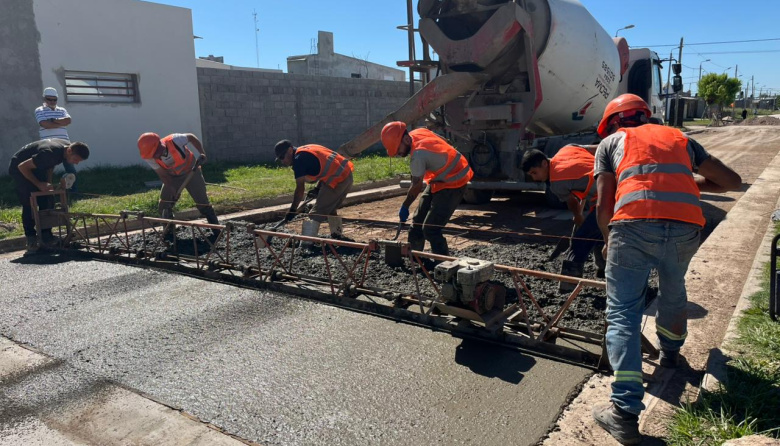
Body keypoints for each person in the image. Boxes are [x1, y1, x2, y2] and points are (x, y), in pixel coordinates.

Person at [591, 94, 741, 445]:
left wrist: (607, 238)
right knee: (673, 292)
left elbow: (604, 201)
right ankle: (670, 354)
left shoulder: (611, 142)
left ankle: (624, 413)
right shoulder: (680, 139)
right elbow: (731, 181)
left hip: (632, 228)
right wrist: (691, 185)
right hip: (686, 229)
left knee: (623, 313)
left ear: (613, 123)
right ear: (647, 116)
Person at [380, 121, 473, 255]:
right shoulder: (417, 133)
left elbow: (416, 187)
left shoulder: (418, 156)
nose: (398, 154)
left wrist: (405, 206)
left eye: (397, 149)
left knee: (431, 229)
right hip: (439, 180)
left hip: (454, 182)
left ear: (406, 139)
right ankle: (416, 259)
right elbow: (443, 140)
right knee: (416, 224)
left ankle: (443, 266)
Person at [521, 145, 605, 290]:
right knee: (597, 232)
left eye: (535, 173)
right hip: (613, 184)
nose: (535, 178)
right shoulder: (566, 149)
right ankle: (603, 271)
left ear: (544, 164)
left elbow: (571, 201)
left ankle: (568, 286)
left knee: (580, 241)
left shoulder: (556, 182)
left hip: (609, 197)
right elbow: (592, 155)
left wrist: (578, 216)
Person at [8, 139, 89, 251]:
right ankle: (31, 238)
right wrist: (38, 183)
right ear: (69, 151)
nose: (76, 163)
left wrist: (47, 183)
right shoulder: (50, 153)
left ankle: (46, 235)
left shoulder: (64, 150)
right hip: (19, 168)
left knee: (48, 198)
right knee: (29, 201)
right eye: (76, 160)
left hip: (36, 166)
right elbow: (22, 166)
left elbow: (49, 166)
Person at [274, 140, 354, 242]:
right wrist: (318, 188)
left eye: (282, 157)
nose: (282, 161)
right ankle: (337, 236)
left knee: (316, 214)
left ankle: (306, 245)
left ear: (290, 150)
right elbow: (326, 167)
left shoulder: (298, 160)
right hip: (346, 175)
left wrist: (292, 210)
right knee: (329, 208)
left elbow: (299, 189)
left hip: (337, 180)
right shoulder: (306, 149)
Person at [137, 132, 219, 227]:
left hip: (192, 172)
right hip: (172, 177)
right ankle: (169, 234)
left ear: (159, 145)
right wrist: (172, 189)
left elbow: (191, 137)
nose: (154, 157)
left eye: (155, 153)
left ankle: (217, 230)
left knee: (203, 203)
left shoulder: (175, 140)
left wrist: (202, 153)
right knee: (164, 205)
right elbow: (164, 175)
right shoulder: (150, 158)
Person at [35, 87, 78, 191]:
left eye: (54, 99)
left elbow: (68, 121)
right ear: (44, 99)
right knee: (49, 168)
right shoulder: (39, 110)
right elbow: (44, 124)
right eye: (49, 99)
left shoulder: (62, 110)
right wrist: (59, 122)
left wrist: (52, 120)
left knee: (70, 166)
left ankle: (73, 189)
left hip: (65, 143)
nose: (52, 102)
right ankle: (49, 190)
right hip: (49, 144)